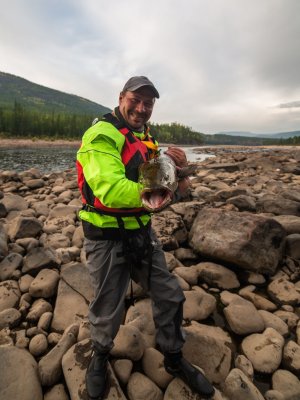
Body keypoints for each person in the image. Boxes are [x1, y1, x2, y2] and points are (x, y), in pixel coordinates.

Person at [76, 76, 215, 400]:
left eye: (148, 103)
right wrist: (160, 189)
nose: (141, 108)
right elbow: (109, 190)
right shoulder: (101, 134)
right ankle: (99, 355)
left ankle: (174, 357)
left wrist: (180, 176)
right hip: (106, 239)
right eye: (135, 100)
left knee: (170, 295)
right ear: (121, 97)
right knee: (107, 307)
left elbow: (162, 192)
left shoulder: (146, 139)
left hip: (141, 234)